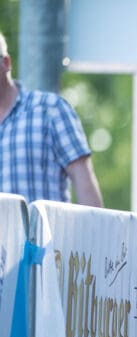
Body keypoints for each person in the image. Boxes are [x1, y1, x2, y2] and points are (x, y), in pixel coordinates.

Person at [0, 31, 102, 206]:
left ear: (6, 63)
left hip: (47, 235)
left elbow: (83, 180)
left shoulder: (50, 110)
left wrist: (96, 232)